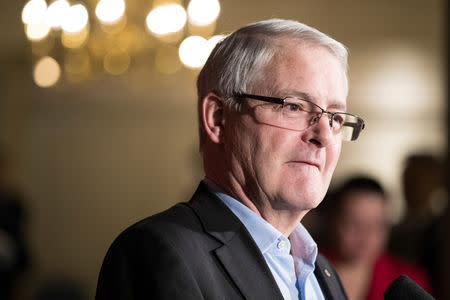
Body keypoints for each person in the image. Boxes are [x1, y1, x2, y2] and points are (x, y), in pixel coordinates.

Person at [95, 18, 365, 300]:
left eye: (335, 117)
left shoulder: (324, 276)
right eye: (294, 107)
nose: (323, 135)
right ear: (218, 119)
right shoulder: (158, 253)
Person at [319, 176, 431, 300]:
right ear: (332, 221)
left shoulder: (408, 282)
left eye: (377, 225)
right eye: (355, 224)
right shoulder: (307, 269)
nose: (366, 235)